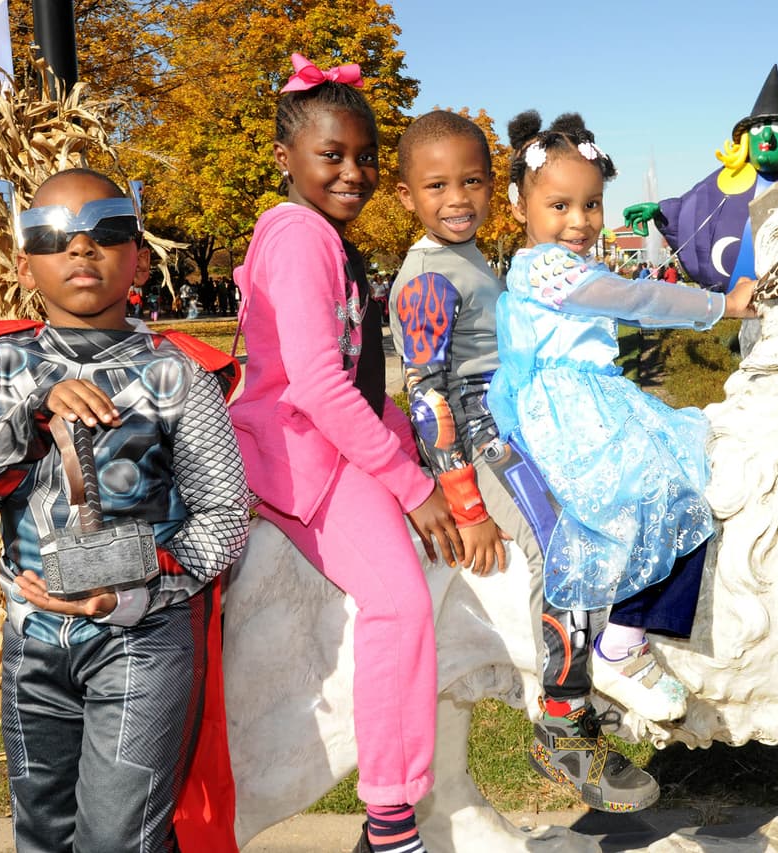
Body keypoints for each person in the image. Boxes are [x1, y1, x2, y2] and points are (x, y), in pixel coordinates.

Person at [0, 167, 250, 852]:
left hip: (144, 641)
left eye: (108, 230)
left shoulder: (179, 374)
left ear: (140, 258)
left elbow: (224, 518)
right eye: (52, 235)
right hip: (33, 642)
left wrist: (131, 588)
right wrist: (26, 420)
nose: (80, 247)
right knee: (42, 835)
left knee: (118, 840)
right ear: (24, 264)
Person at [389, 109, 670, 812]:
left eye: (472, 182)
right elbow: (426, 394)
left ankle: (606, 664)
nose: (458, 199)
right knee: (564, 544)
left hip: (518, 409)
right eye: (437, 187)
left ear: (497, 189)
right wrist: (468, 505)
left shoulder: (470, 257)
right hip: (482, 430)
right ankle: (562, 722)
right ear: (406, 196)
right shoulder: (426, 276)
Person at [228, 54, 464, 853]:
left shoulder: (322, 235)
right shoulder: (299, 237)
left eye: (365, 156)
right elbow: (319, 384)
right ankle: (392, 819)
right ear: (285, 157)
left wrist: (409, 451)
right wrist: (411, 487)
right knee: (400, 602)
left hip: (320, 438)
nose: (353, 172)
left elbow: (361, 379)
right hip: (300, 455)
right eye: (332, 155)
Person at [488, 110, 756, 805]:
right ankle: (618, 647)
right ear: (519, 206)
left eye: (591, 204)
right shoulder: (544, 268)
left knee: (690, 480)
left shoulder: (574, 263)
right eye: (559, 205)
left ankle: (635, 636)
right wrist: (722, 305)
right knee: (638, 492)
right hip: (567, 409)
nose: (579, 220)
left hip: (599, 396)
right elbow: (635, 297)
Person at [624, 44, 778, 293]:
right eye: (758, 129)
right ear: (745, 139)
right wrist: (659, 211)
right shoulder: (728, 178)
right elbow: (690, 207)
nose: (766, 136)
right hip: (736, 295)